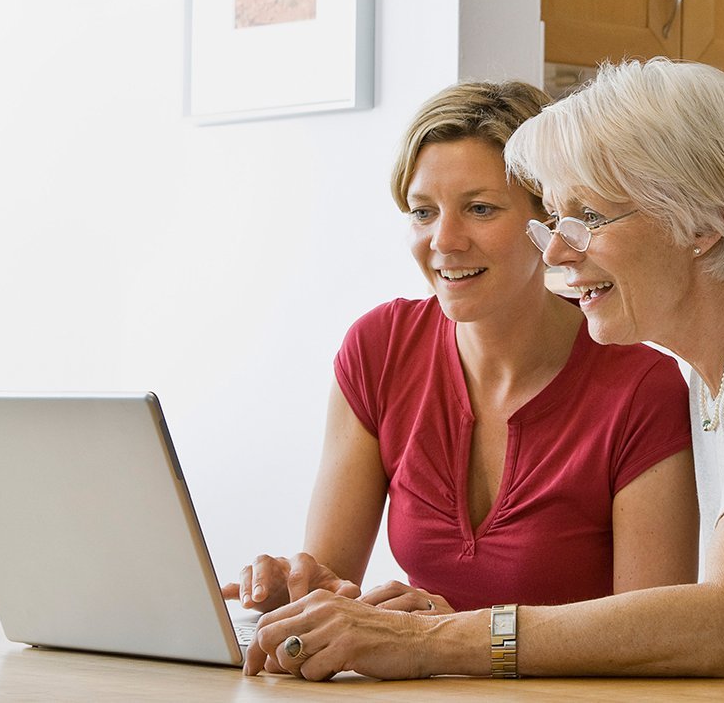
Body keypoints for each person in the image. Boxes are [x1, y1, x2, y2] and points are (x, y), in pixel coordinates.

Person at [239, 59, 724, 699]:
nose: (555, 251)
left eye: (589, 219)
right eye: (557, 220)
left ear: (700, 225)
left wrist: (433, 641)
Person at [225, 81, 697, 630]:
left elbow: (653, 643)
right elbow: (332, 583)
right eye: (423, 213)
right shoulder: (379, 348)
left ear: (549, 222)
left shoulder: (642, 387)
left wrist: (450, 638)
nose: (444, 240)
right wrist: (293, 593)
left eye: (479, 209)